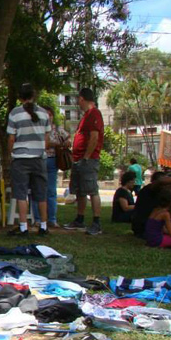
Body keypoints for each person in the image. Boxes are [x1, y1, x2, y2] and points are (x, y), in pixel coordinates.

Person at [6, 83, 50, 237]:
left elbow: (11, 138)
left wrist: (11, 153)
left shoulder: (15, 113)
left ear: (20, 97)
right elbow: (46, 138)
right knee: (41, 193)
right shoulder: (44, 113)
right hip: (39, 158)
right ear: (34, 96)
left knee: (21, 193)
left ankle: (23, 227)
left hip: (20, 158)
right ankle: (43, 225)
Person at [64, 88, 104, 235]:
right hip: (78, 159)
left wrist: (87, 156)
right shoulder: (86, 116)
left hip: (88, 159)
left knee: (92, 190)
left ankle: (96, 222)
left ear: (82, 99)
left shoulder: (94, 113)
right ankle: (79, 219)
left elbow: (94, 137)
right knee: (80, 191)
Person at [31, 105, 70, 227]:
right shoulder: (37, 128)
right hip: (38, 160)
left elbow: (68, 140)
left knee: (51, 191)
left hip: (52, 161)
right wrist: (53, 143)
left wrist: (61, 144)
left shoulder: (57, 129)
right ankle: (37, 218)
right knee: (37, 190)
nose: (48, 117)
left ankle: (52, 219)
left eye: (50, 114)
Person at [131, 171, 171, 238]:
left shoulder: (161, 196)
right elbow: (160, 181)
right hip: (143, 227)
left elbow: (168, 215)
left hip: (152, 225)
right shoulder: (148, 190)